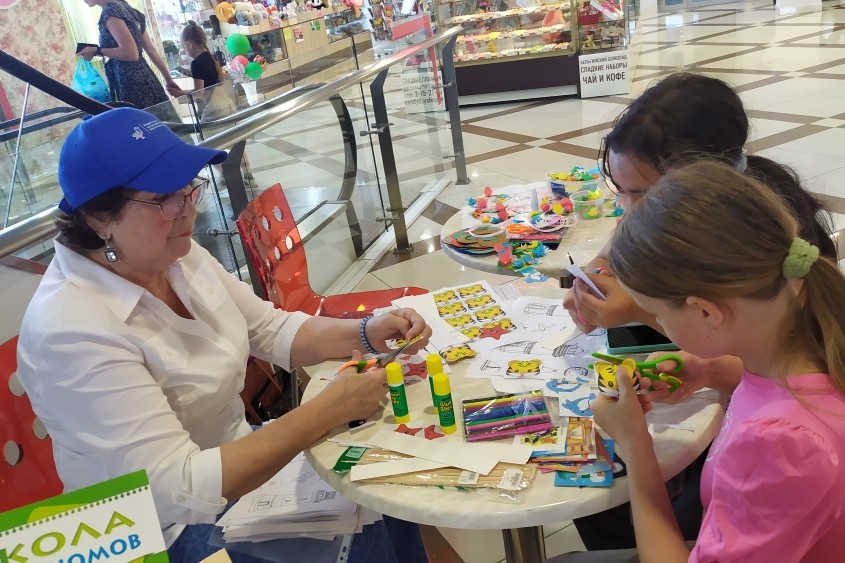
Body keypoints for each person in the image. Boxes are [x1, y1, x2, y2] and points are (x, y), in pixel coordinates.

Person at [15, 108, 433, 562]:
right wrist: (325, 411)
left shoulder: (176, 255)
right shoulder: (70, 330)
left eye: (189, 189)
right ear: (99, 218)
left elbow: (271, 328)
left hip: (230, 456)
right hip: (155, 529)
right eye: (165, 199)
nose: (188, 211)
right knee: (362, 542)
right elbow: (179, 487)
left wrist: (368, 331)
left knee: (382, 476)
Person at [573, 161, 845, 562]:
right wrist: (710, 370)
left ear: (706, 312)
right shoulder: (813, 334)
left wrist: (635, 446)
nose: (658, 323)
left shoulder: (782, 446)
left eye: (656, 313)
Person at [563, 72, 835, 335]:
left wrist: (637, 311)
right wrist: (592, 283)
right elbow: (610, 254)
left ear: (705, 179)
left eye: (644, 194)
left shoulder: (746, 239)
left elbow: (731, 344)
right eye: (621, 190)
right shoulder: (668, 210)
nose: (628, 208)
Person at [78, 0, 176, 110]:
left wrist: (97, 51)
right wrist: (168, 80)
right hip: (145, 75)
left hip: (130, 82)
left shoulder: (110, 11)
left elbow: (131, 53)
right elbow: (150, 49)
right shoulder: (127, 9)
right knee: (158, 117)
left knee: (138, 118)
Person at [166, 21, 237, 122]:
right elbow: (205, 87)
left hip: (214, 109)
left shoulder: (196, 63)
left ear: (189, 45)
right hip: (227, 104)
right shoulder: (212, 57)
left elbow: (198, 92)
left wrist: (180, 93)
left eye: (183, 47)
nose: (184, 51)